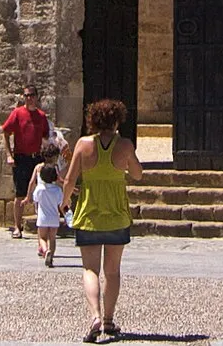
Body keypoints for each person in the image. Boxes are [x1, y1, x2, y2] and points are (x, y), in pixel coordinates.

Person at [61, 98, 142, 343]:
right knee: (113, 271)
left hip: (89, 214)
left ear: (93, 120)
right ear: (117, 120)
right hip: (116, 215)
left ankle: (95, 316)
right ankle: (108, 319)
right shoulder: (125, 145)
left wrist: (64, 202)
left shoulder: (84, 145)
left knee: (90, 269)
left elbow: (70, 179)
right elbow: (138, 174)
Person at [1, 84, 51, 239]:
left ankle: (42, 226)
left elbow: (45, 136)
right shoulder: (17, 113)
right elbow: (5, 132)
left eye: (31, 95)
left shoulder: (42, 116)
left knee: (42, 191)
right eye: (26, 95)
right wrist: (9, 155)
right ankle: (17, 226)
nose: (29, 98)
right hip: (21, 158)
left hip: (37, 158)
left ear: (36, 97)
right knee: (20, 193)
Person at [31, 160, 66, 266]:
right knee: (52, 238)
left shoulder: (40, 189)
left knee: (42, 237)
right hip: (54, 218)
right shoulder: (57, 190)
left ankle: (46, 251)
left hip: (42, 217)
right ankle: (51, 256)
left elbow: (35, 199)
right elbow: (61, 204)